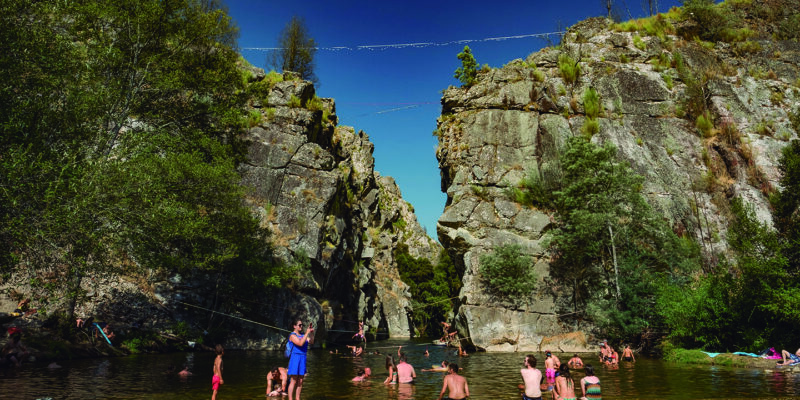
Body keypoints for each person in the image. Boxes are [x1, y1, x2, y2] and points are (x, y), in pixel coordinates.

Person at [287, 318, 314, 400]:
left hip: (303, 358)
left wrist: (312, 333)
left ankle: (297, 398)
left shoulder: (303, 335)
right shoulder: (292, 335)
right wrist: (307, 333)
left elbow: (312, 342)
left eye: (302, 325)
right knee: (294, 380)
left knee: (301, 381)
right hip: (295, 358)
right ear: (294, 326)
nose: (301, 326)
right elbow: (300, 343)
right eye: (299, 325)